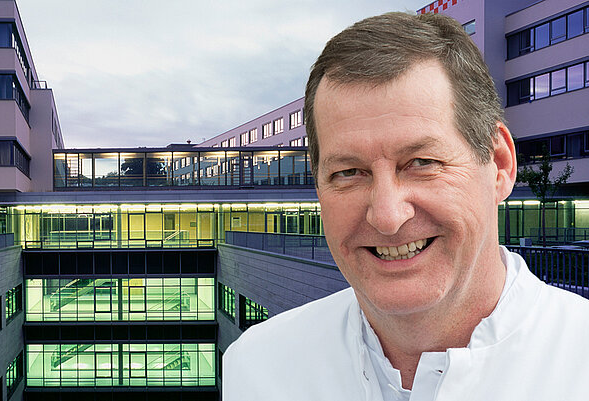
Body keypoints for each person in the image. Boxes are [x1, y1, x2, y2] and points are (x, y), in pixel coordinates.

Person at [223, 11, 589, 401]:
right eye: (349, 172)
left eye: (422, 163)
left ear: (498, 165)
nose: (387, 216)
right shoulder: (257, 369)